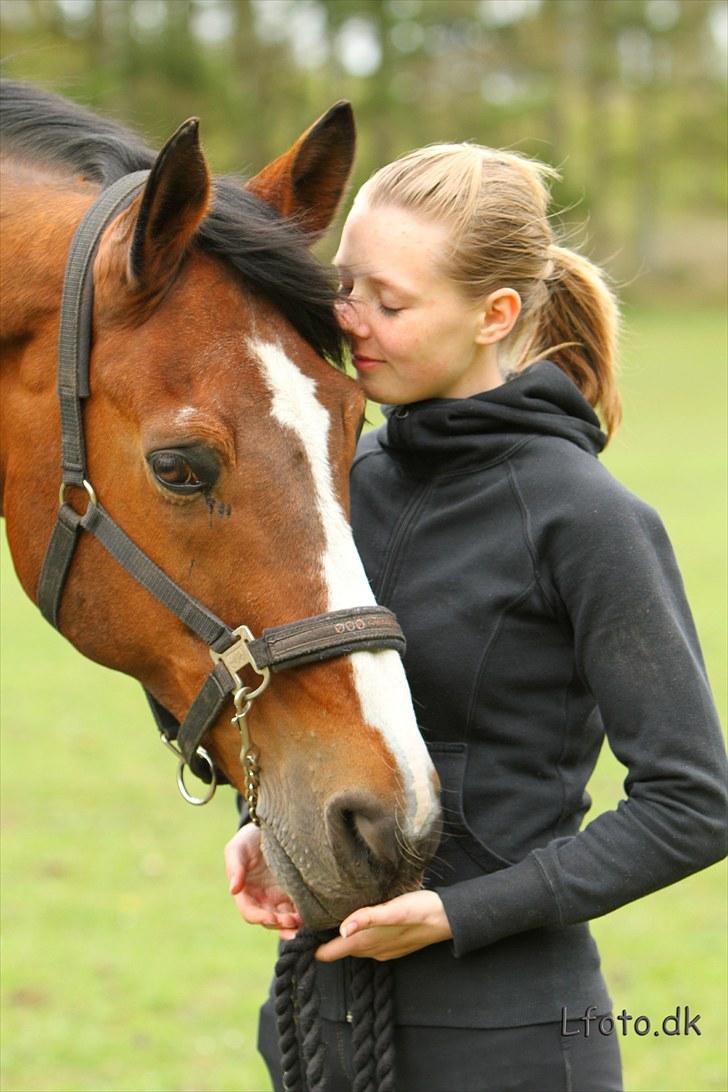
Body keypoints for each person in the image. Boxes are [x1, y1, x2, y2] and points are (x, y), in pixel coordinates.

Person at [224, 143, 727, 1092]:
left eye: (392, 302)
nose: (349, 321)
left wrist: (458, 914)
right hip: (315, 1030)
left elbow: (694, 805)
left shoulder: (588, 519)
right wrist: (277, 819)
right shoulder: (343, 483)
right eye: (347, 285)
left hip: (512, 1043)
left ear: (495, 315)